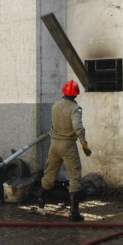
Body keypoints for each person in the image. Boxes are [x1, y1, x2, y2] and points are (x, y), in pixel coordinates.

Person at [40, 80, 91, 221]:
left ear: (63, 91)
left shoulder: (55, 106)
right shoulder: (75, 108)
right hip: (68, 145)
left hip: (54, 144)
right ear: (75, 94)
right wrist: (84, 145)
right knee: (74, 176)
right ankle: (74, 213)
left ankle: (41, 203)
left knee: (49, 173)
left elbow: (53, 123)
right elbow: (78, 127)